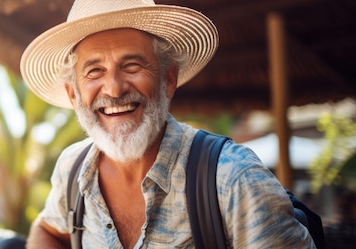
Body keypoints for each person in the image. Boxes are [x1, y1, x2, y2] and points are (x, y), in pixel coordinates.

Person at [19, 0, 316, 248]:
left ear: (168, 79)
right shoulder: (72, 168)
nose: (113, 88)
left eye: (132, 65)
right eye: (94, 71)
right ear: (74, 95)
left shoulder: (233, 178)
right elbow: (49, 231)